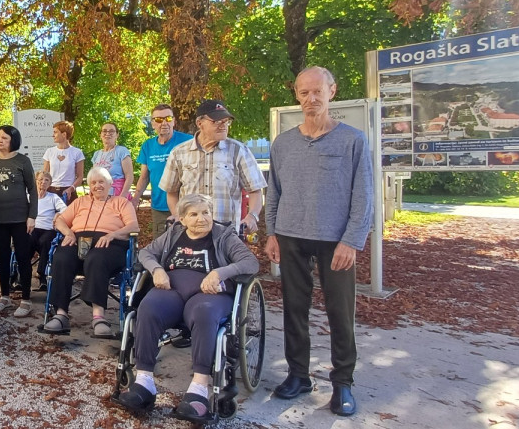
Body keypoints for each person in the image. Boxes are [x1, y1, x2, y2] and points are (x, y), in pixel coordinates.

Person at [265, 66, 373, 417]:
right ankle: (298, 375)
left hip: (335, 241)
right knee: (295, 310)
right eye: (303, 93)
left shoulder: (352, 140)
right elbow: (274, 192)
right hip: (291, 237)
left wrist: (352, 241)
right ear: (296, 95)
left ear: (332, 91)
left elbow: (363, 196)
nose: (310, 99)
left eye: (317, 91)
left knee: (340, 312)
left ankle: (342, 382)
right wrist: (271, 232)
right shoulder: (283, 143)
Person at [114, 194, 259, 420]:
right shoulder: (174, 234)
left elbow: (251, 262)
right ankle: (144, 383)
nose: (201, 219)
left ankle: (199, 390)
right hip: (172, 289)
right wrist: (157, 270)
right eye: (194, 214)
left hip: (208, 293)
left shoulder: (224, 236)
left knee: (204, 313)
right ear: (182, 219)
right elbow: (145, 253)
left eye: (206, 213)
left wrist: (220, 272)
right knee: (148, 307)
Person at [41, 166, 139, 338]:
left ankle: (98, 317)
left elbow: (133, 227)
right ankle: (61, 314)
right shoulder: (80, 202)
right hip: (78, 239)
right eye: (93, 182)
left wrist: (112, 235)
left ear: (110, 184)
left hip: (111, 243)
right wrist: (68, 232)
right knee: (62, 257)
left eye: (101, 181)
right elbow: (60, 220)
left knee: (96, 258)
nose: (97, 186)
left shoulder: (121, 202)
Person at [161, 100, 267, 233]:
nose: (223, 126)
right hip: (190, 233)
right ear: (200, 124)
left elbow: (255, 190)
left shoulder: (239, 151)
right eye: (216, 121)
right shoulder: (179, 152)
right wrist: (177, 215)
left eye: (226, 121)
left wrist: (252, 216)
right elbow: (171, 191)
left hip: (227, 234)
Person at [0, 125, 38, 317]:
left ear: (13, 140)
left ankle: (25, 299)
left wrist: (32, 216)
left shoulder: (23, 161)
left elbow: (33, 190)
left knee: (23, 257)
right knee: (2, 258)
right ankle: (5, 296)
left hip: (20, 219)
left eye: (4, 138)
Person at [133, 104, 193, 236]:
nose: (164, 123)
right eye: (159, 120)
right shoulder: (148, 146)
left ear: (174, 121)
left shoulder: (188, 142)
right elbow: (144, 177)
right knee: (162, 246)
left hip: (187, 206)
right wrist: (136, 198)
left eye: (168, 118)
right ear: (153, 123)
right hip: (160, 206)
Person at [32, 170, 66, 292]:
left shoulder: (53, 197)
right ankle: (21, 275)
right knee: (26, 241)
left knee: (45, 242)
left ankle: (42, 275)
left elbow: (65, 209)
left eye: (46, 180)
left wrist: (58, 214)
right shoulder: (29, 196)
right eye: (40, 179)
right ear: (36, 181)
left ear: (50, 183)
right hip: (32, 227)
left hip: (48, 228)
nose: (43, 182)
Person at [41, 121, 85, 204]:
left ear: (64, 134)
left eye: (55, 132)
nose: (53, 135)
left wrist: (71, 188)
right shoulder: (49, 151)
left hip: (68, 191)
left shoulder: (77, 152)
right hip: (51, 190)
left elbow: (80, 176)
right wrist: (42, 188)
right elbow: (45, 174)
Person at [92, 122, 134, 199]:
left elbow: (129, 176)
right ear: (100, 134)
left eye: (111, 131)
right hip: (99, 195)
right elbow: (93, 177)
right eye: (104, 131)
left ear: (117, 135)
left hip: (117, 195)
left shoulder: (122, 151)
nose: (107, 133)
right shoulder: (96, 154)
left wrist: (122, 197)